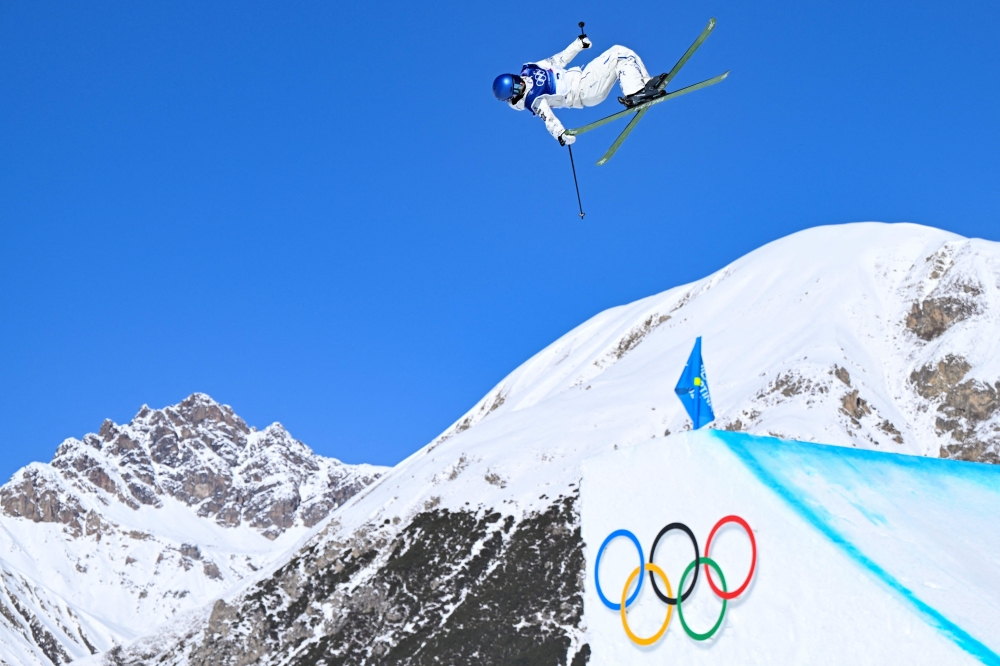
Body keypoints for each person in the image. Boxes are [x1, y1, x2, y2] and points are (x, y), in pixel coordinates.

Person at [493, 32, 667, 145]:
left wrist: (577, 45)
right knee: (617, 54)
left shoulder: (530, 69)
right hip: (583, 91)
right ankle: (636, 93)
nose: (521, 84)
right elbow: (548, 119)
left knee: (621, 53)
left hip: (584, 76)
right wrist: (560, 134)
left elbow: (558, 60)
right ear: (513, 96)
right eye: (516, 88)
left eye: (517, 80)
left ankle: (643, 85)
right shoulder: (533, 100)